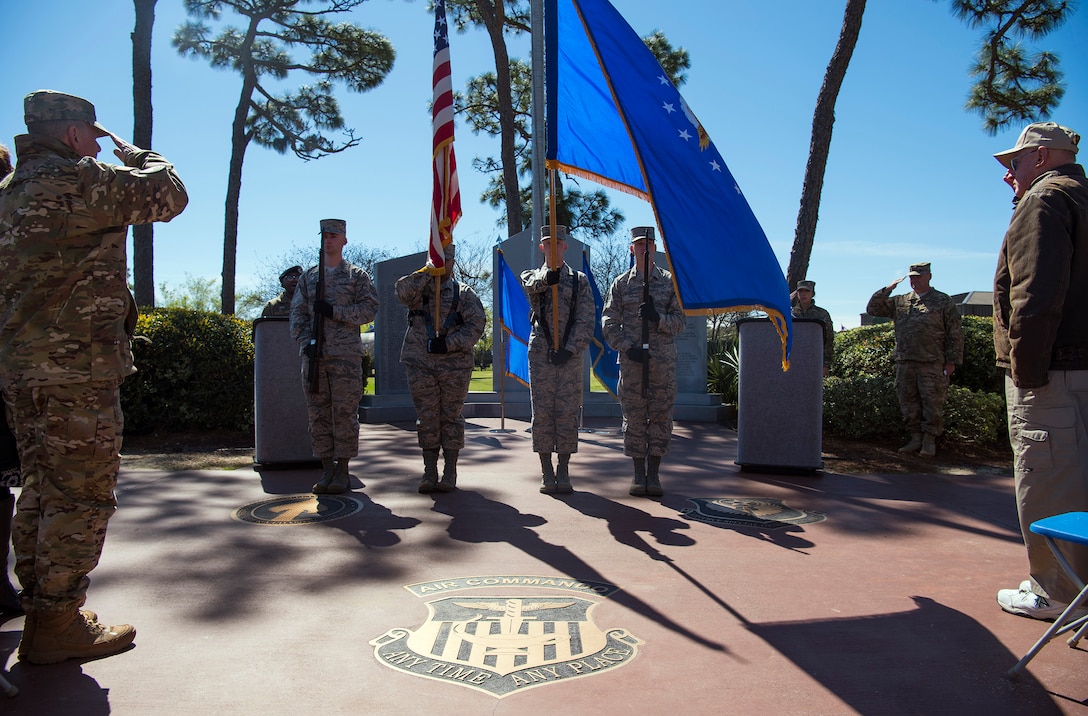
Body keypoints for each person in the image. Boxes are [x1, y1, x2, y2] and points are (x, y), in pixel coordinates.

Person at [0, 89, 188, 663]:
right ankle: (56, 621)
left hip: (21, 372)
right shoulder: (80, 180)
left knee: (39, 487)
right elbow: (170, 194)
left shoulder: (7, 194)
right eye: (92, 134)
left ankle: (44, 611)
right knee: (80, 493)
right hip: (76, 368)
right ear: (76, 133)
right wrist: (136, 153)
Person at [990, 122, 1088, 620]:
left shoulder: (1045, 201)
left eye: (1014, 164)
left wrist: (1027, 377)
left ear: (1042, 158)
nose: (1008, 176)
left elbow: (1033, 295)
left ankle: (1056, 593)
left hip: (1052, 374)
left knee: (1049, 481)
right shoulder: (1083, 197)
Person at [289, 219, 378, 494]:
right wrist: (305, 342)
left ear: (344, 240)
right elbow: (297, 315)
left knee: (344, 415)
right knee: (318, 415)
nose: (327, 240)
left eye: (333, 236)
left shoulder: (356, 276)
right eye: (324, 236)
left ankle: (343, 471)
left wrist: (334, 312)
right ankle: (326, 469)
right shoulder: (310, 277)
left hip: (345, 357)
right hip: (315, 357)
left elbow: (369, 309)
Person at [602, 226, 686, 497]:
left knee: (660, 416)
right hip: (632, 362)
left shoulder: (669, 282)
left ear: (655, 248)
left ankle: (655, 474)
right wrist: (628, 347)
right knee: (635, 416)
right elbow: (608, 323)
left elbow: (680, 322)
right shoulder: (621, 283)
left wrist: (657, 318)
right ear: (632, 249)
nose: (645, 248)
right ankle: (638, 474)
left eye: (649, 244)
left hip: (662, 362)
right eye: (640, 244)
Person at [395, 243, 485, 493]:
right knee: (427, 418)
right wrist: (426, 272)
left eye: (444, 260)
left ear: (453, 262)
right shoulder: (419, 289)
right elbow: (401, 292)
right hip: (420, 362)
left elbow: (476, 326)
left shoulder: (463, 294)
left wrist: (448, 344)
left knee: (450, 417)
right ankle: (429, 470)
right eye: (436, 259)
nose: (441, 264)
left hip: (454, 365)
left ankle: (450, 471)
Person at [521, 225, 595, 494]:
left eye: (558, 243)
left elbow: (587, 320)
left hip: (569, 355)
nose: (553, 248)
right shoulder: (531, 276)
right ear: (542, 248)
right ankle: (545, 469)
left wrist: (571, 347)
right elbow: (530, 286)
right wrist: (547, 280)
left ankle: (563, 469)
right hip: (541, 352)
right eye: (547, 244)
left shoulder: (579, 281)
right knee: (542, 412)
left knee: (565, 411)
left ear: (565, 246)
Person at [865, 262, 963, 457]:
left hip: (932, 362)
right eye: (911, 277)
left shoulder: (943, 301)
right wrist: (888, 289)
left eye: (918, 276)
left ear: (929, 276)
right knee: (908, 401)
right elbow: (873, 309)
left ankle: (929, 441)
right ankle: (915, 438)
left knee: (932, 402)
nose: (914, 280)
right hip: (905, 360)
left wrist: (952, 361)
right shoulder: (901, 301)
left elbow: (955, 333)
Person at [791, 280, 834, 377]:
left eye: (807, 291)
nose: (803, 294)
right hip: (793, 361)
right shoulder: (790, 313)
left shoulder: (822, 314)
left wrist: (826, 364)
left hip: (815, 360)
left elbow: (828, 340)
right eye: (800, 291)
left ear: (812, 294)